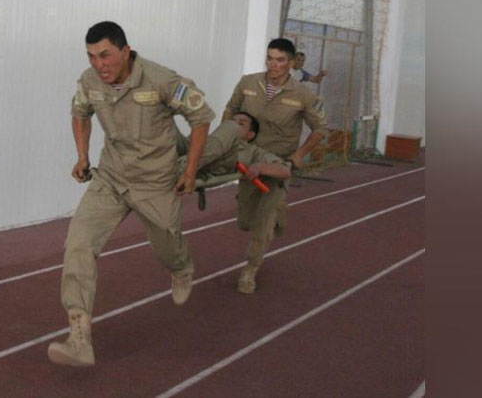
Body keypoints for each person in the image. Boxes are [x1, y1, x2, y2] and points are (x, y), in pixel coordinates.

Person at [47, 21, 215, 367]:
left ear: (125, 51)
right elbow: (80, 113)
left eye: (105, 55)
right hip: (110, 179)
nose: (99, 64)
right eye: (91, 56)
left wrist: (189, 171)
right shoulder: (89, 81)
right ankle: (79, 338)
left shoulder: (161, 79)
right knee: (79, 244)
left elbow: (200, 117)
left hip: (154, 182)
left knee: (167, 245)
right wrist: (82, 156)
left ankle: (181, 267)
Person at [222, 38, 329, 294]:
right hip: (248, 159)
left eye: (280, 60)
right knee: (245, 221)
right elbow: (230, 110)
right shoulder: (248, 83)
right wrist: (226, 139)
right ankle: (278, 211)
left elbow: (321, 129)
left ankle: (250, 269)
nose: (273, 64)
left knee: (262, 222)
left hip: (278, 163)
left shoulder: (304, 94)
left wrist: (299, 155)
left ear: (291, 63)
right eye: (270, 58)